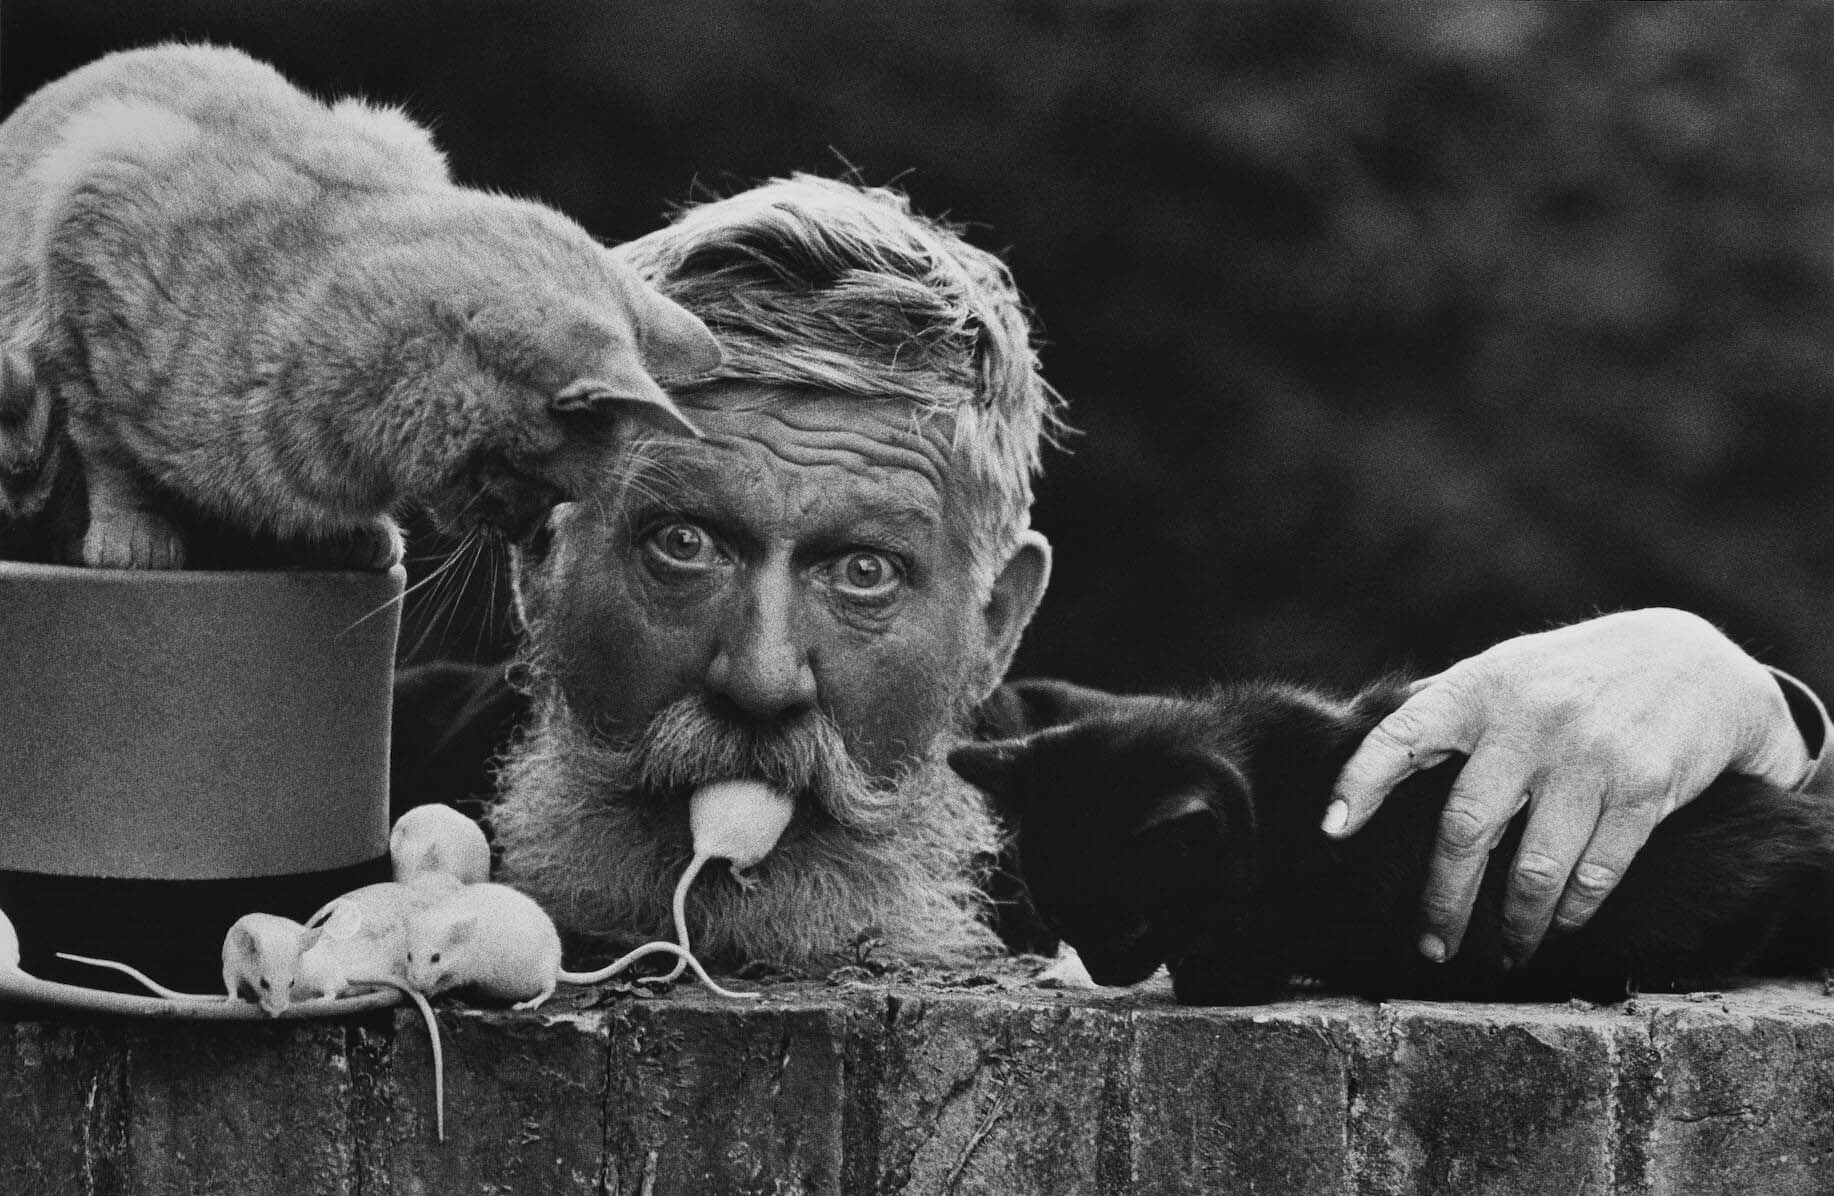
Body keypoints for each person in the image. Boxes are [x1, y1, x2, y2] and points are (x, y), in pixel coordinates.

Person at [391, 173, 1832, 974]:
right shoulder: (327, 790)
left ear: (995, 622)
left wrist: (1739, 707)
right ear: (537, 554)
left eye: (867, 574)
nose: (763, 674)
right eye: (681, 545)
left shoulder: (1162, 827)